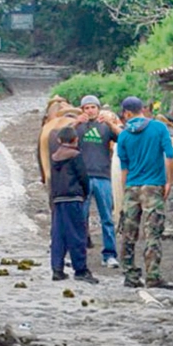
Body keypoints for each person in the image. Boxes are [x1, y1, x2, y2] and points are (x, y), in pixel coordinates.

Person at [116, 96, 173, 289]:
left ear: (126, 113)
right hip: (153, 186)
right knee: (153, 233)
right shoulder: (159, 128)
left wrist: (126, 188)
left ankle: (130, 275)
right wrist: (169, 181)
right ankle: (153, 275)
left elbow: (123, 168)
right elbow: (169, 155)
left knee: (128, 233)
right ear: (142, 109)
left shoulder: (123, 136)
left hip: (132, 186)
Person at [74, 94, 123, 268]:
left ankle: (109, 254)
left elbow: (123, 137)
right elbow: (61, 138)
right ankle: (78, 253)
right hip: (83, 178)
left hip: (103, 177)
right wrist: (74, 123)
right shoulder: (78, 128)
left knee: (107, 218)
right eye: (86, 108)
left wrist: (110, 123)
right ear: (82, 110)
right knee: (81, 218)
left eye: (93, 107)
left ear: (98, 108)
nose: (90, 110)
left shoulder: (105, 127)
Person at [48, 126, 98, 284]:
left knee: (58, 235)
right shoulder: (75, 155)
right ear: (75, 140)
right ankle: (80, 270)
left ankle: (57, 269)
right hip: (73, 198)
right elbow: (83, 177)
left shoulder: (54, 156)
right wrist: (84, 193)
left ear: (58, 140)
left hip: (58, 199)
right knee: (77, 234)